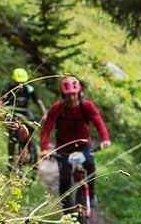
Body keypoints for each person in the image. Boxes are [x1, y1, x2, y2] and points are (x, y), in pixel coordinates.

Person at [39, 76, 112, 210]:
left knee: (90, 166)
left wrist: (105, 139)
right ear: (63, 95)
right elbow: (45, 130)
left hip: (83, 144)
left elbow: (98, 122)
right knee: (65, 178)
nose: (72, 98)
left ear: (79, 93)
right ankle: (66, 208)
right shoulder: (57, 108)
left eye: (74, 94)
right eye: (68, 95)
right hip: (64, 147)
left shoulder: (87, 106)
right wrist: (44, 149)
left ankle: (91, 194)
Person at [0, 67, 47, 163]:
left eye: (23, 83)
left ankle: (30, 152)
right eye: (18, 83)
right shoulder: (9, 88)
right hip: (12, 114)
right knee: (12, 138)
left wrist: (44, 113)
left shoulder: (29, 89)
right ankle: (11, 160)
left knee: (31, 125)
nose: (21, 85)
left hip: (25, 112)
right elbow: (1, 100)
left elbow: (38, 101)